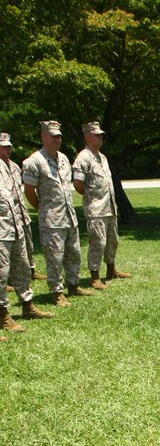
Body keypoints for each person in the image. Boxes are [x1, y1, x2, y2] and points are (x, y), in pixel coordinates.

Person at [22, 120, 93, 307]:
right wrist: (42, 209)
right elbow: (29, 191)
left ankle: (74, 285)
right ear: (43, 137)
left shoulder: (63, 159)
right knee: (54, 257)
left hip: (69, 216)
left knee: (74, 253)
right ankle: (57, 292)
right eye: (53, 136)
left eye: (59, 136)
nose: (58, 139)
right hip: (51, 219)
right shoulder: (34, 161)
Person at [0, 132, 53, 335]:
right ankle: (3, 314)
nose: (8, 149)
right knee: (2, 273)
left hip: (17, 226)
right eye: (3, 146)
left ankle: (27, 305)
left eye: (9, 146)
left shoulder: (14, 168)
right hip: (1, 230)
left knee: (23, 267)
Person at [73, 120, 130, 289]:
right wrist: (92, 198)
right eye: (98, 135)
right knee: (98, 243)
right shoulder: (83, 158)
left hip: (109, 207)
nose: (101, 137)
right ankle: (94, 276)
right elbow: (78, 184)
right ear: (87, 136)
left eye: (101, 135)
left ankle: (111, 270)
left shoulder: (102, 157)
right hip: (96, 209)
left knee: (112, 240)